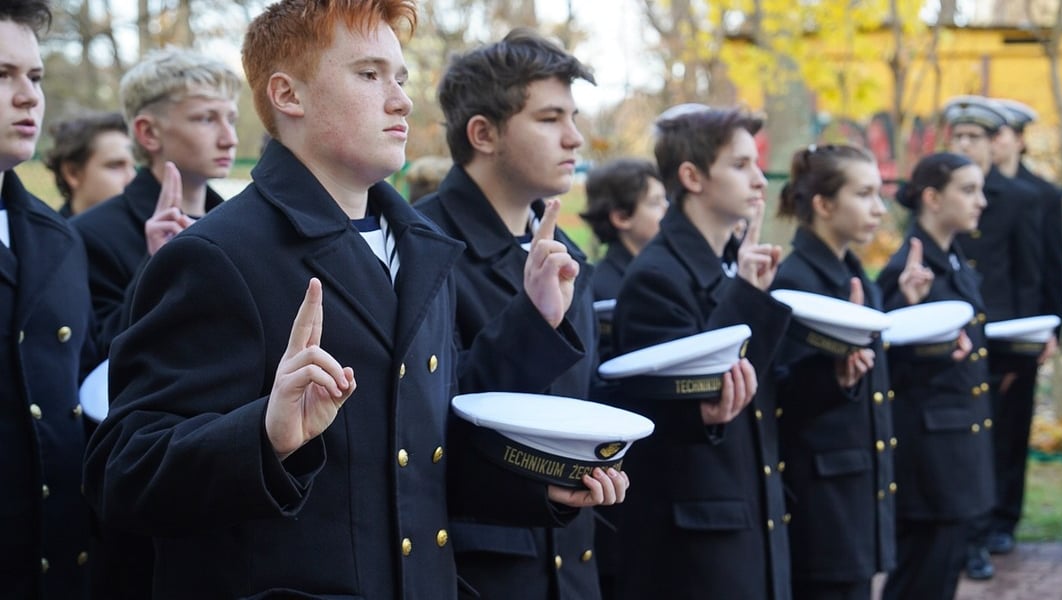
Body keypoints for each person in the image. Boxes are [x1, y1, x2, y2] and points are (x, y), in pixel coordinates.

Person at [84, 3, 621, 598]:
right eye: (369, 74)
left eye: (400, 77)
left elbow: (418, 459)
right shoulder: (217, 252)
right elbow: (123, 474)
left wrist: (543, 483)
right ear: (288, 95)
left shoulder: (422, 250)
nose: (401, 100)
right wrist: (265, 435)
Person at [416, 29, 629, 600]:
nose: (575, 138)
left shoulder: (567, 252)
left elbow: (584, 406)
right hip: (479, 574)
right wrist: (532, 319)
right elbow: (428, 423)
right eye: (549, 118)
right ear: (483, 133)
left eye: (574, 117)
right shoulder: (420, 247)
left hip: (573, 567)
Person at [608, 105, 793, 599]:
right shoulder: (656, 276)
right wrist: (747, 296)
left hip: (748, 519)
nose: (759, 180)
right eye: (740, 165)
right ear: (691, 176)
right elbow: (677, 405)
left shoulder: (732, 265)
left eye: (757, 164)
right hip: (692, 541)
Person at [769, 144, 896, 599]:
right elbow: (777, 397)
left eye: (879, 194)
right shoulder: (795, 282)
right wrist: (832, 375)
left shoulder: (854, 274)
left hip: (853, 495)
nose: (878, 209)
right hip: (819, 504)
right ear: (823, 204)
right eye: (864, 194)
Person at [0, 1, 94, 596]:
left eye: (33, 77)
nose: (30, 96)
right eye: (1, 76)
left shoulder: (57, 237)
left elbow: (82, 380)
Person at [70, 48, 240, 364]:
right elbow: (97, 357)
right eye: (206, 118)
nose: (230, 139)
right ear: (148, 133)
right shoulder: (90, 235)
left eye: (231, 119)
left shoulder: (243, 226)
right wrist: (155, 266)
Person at [877, 152, 994, 600]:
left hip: (957, 445)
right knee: (920, 575)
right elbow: (889, 360)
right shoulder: (908, 268)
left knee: (942, 570)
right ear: (931, 197)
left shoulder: (954, 260)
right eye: (968, 190)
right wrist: (907, 306)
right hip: (929, 455)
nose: (980, 201)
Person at [944, 95, 1043, 580]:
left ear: (993, 143)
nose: (965, 144)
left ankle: (986, 532)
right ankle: (961, 532)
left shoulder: (1018, 198)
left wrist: (1026, 347)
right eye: (958, 137)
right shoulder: (940, 194)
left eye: (974, 138)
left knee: (999, 439)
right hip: (953, 337)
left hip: (1002, 337)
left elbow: (1030, 276)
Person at [970, 97, 1062, 558]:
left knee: (1010, 429)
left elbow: (1044, 267)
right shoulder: (965, 187)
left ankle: (1004, 517)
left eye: (999, 133)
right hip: (973, 330)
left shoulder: (1040, 195)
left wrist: (1048, 330)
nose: (995, 141)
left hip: (1019, 326)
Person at [580, 157, 667, 301]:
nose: (667, 209)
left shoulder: (665, 270)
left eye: (665, 200)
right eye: (655, 203)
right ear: (622, 218)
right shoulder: (602, 289)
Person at [42, 111, 135, 218]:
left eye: (134, 167)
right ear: (73, 173)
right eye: (114, 166)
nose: (132, 178)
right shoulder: (49, 233)